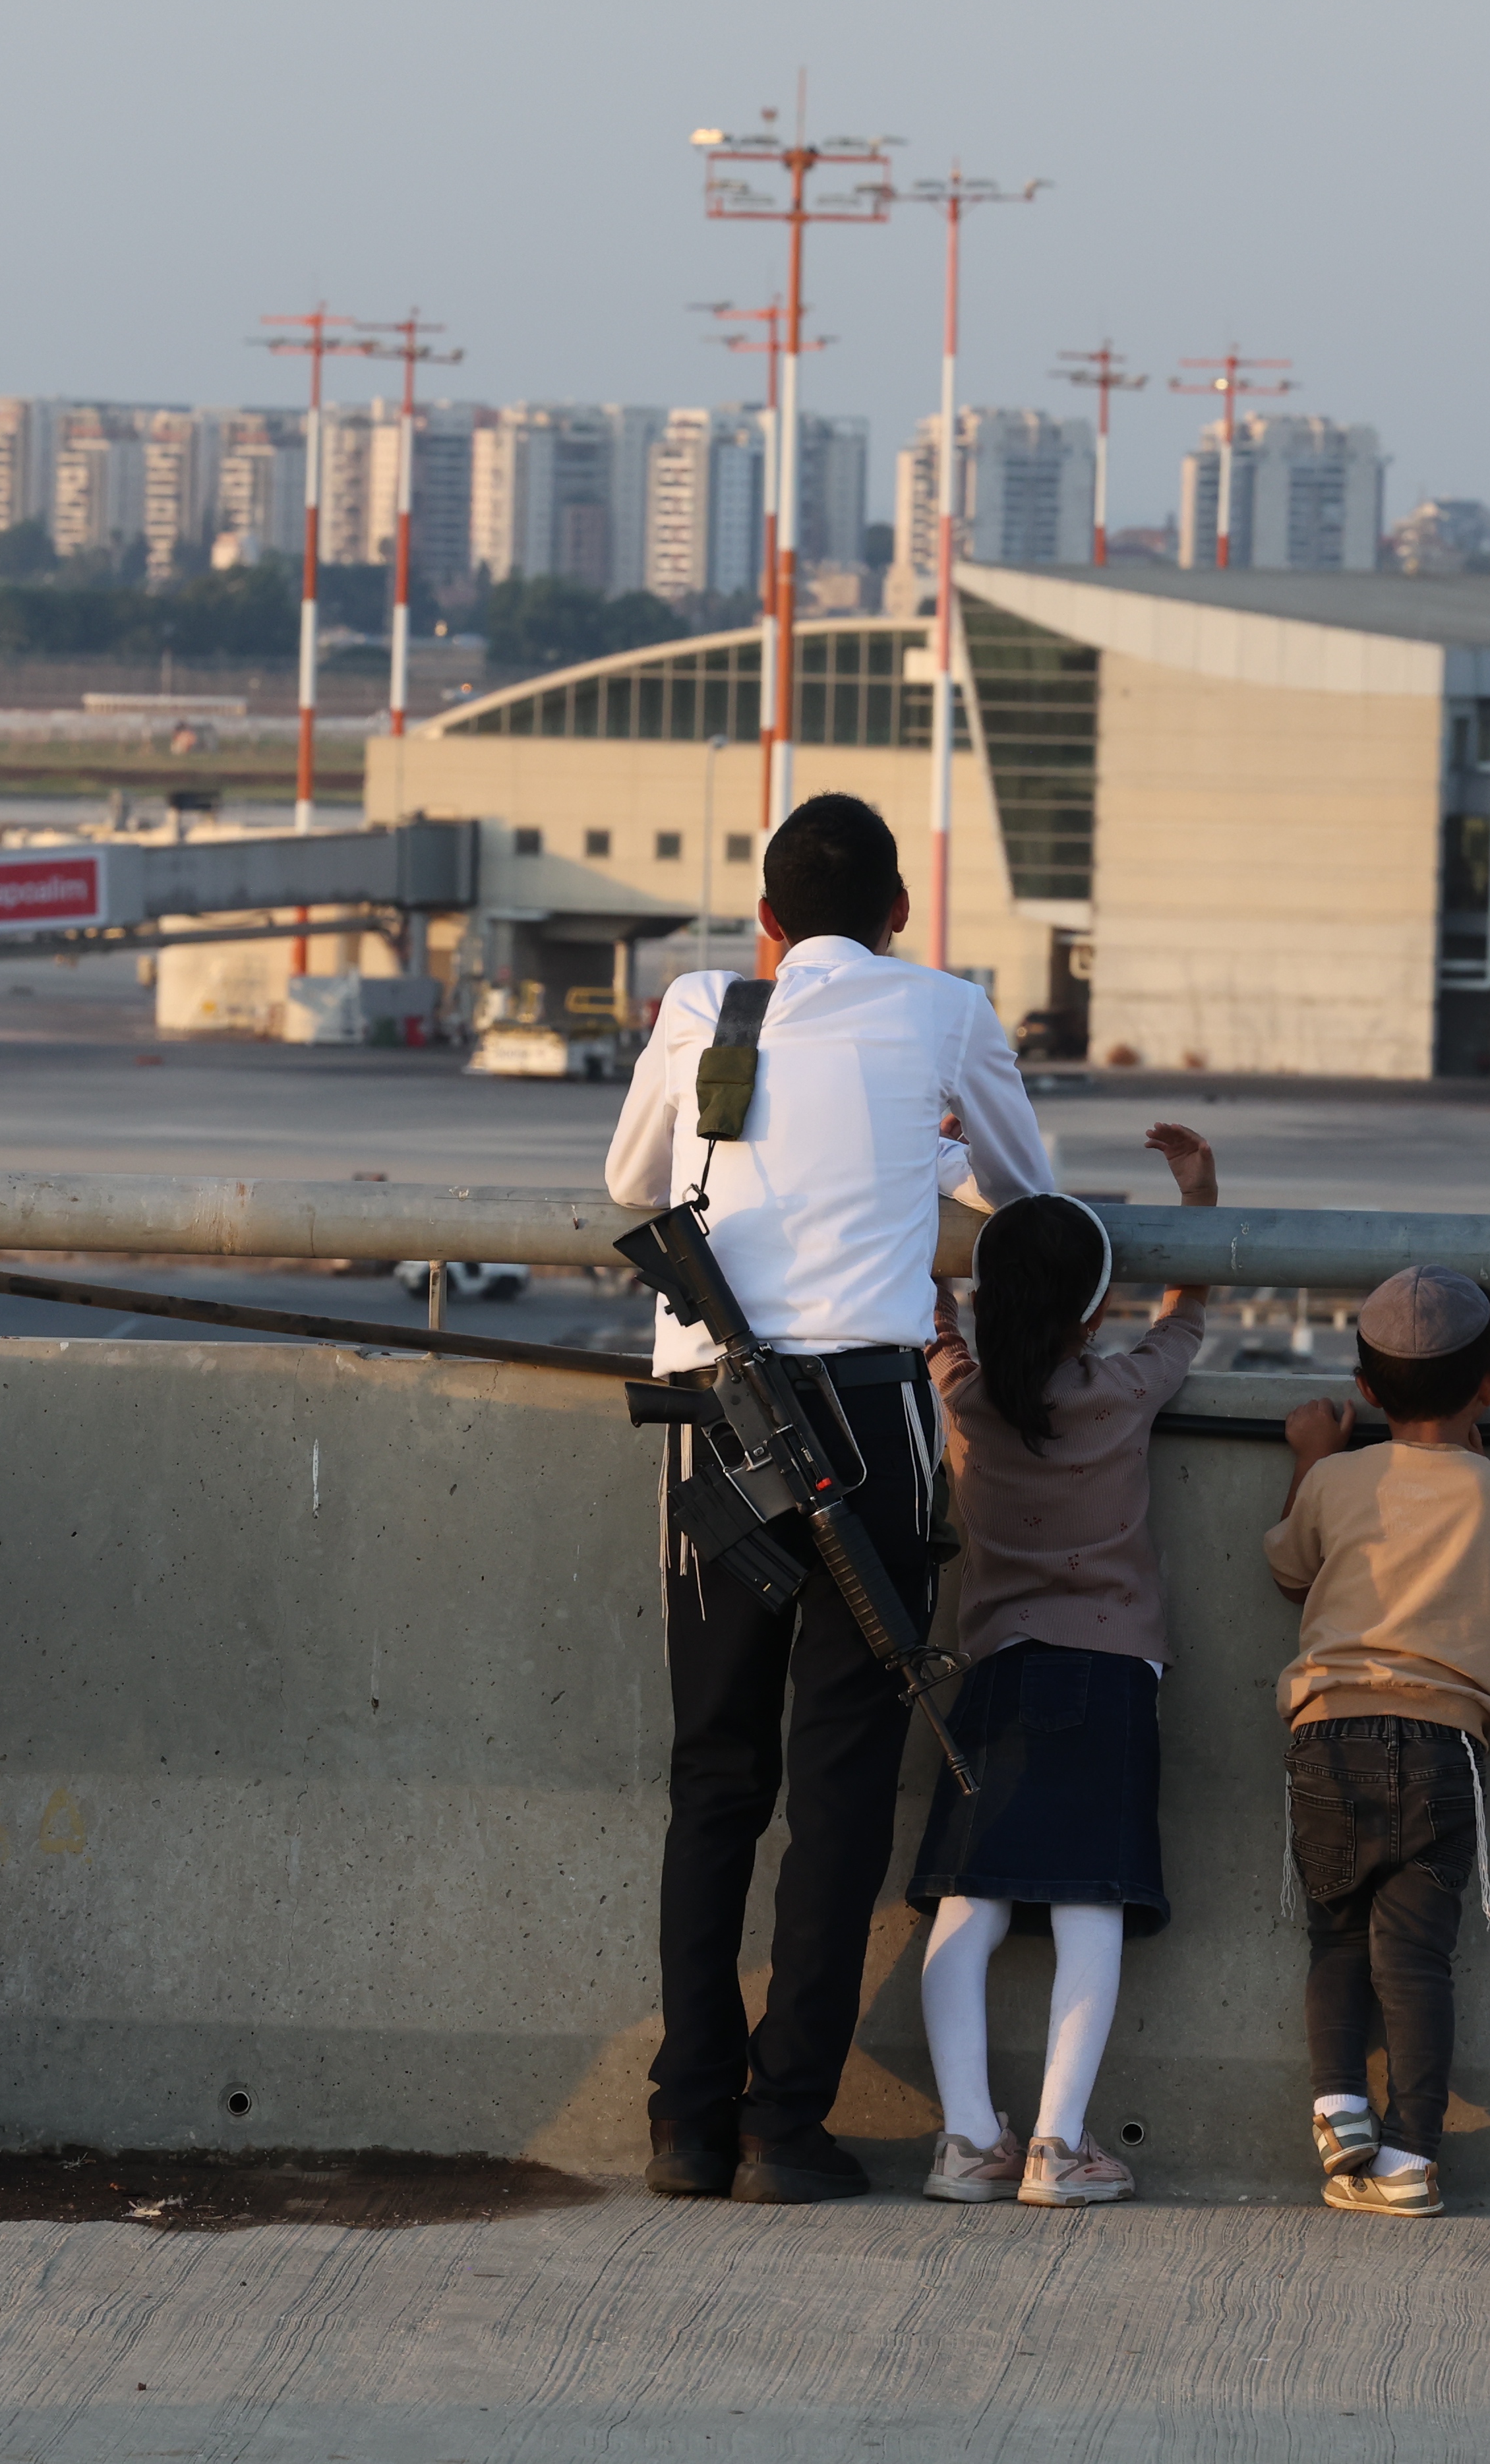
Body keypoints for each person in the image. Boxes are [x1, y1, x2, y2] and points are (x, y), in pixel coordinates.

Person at [604, 790, 1053, 2205]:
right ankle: (786, 2127)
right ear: (901, 915)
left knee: (714, 1771)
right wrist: (916, 1163)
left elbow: (632, 1179)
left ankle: (687, 2118)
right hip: (863, 1411)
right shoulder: (946, 1008)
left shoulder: (698, 1005)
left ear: (767, 926)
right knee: (843, 1772)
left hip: (715, 1417)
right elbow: (1030, 1194)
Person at [910, 1122, 1220, 2209]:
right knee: (1092, 1903)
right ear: (1097, 1309)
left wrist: (930, 1161)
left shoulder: (962, 1394)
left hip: (994, 1668)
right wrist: (1199, 1192)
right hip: (1111, 1674)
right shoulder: (1127, 1389)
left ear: (986, 1303)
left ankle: (963, 2139)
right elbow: (1192, 1311)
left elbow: (926, 1302)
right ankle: (1055, 2145)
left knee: (968, 1899)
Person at [1263, 1265, 1490, 2219]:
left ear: (1362, 1389)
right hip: (1441, 1746)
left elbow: (1287, 1566)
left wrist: (1310, 1459)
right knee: (1417, 1959)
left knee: (1335, 1937)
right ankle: (1409, 2160)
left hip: (1328, 1734)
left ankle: (1339, 2104)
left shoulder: (1340, 1478)